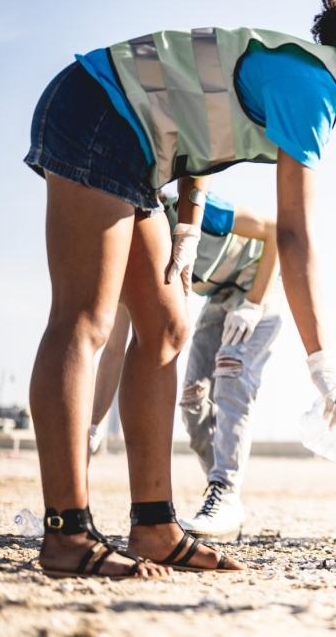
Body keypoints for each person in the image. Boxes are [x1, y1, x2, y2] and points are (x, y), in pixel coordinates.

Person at [23, 0, 336, 578]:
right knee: (87, 318)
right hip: (96, 108)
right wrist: (321, 361)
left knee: (168, 324)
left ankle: (153, 525)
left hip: (141, 148)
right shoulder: (312, 88)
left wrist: (184, 226)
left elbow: (194, 132)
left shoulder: (312, 84)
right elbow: (294, 236)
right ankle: (66, 532)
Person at [90, 192, 283, 541]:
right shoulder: (128, 255)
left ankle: (225, 488)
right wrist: (92, 426)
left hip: (258, 289)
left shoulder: (194, 211)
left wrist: (253, 304)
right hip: (220, 298)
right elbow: (114, 349)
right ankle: (226, 495)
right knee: (194, 402)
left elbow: (275, 231)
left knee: (231, 371)